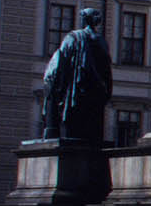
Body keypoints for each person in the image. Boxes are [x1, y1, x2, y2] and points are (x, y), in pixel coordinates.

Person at [37, 7, 111, 142]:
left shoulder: (74, 37)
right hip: (96, 90)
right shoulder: (101, 41)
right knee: (91, 129)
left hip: (78, 88)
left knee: (72, 124)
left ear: (84, 19)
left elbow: (61, 60)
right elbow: (106, 69)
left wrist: (52, 80)